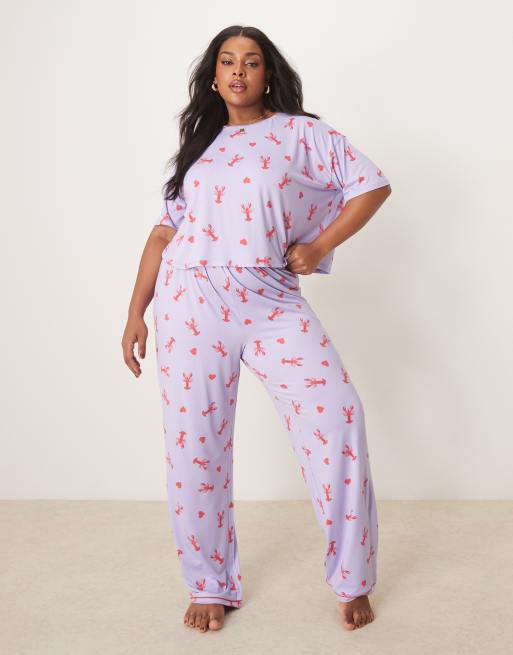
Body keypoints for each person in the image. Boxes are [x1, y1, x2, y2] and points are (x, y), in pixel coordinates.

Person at [122, 25, 392, 634]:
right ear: (214, 76)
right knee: (195, 444)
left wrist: (317, 246)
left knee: (337, 415)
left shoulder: (301, 133)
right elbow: (163, 233)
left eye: (250, 61)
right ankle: (209, 582)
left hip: (270, 298)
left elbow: (371, 185)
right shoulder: (198, 148)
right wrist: (136, 311)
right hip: (190, 300)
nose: (238, 71)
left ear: (268, 74)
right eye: (227, 61)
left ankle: (352, 577)